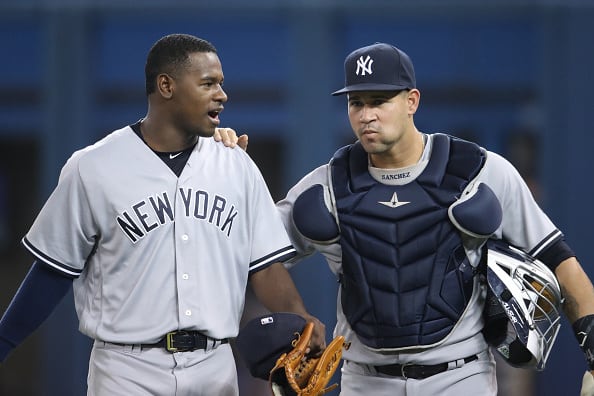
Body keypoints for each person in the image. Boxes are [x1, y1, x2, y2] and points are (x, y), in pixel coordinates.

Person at [0, 33, 325, 396]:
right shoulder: (93, 167)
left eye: (221, 83)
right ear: (166, 85)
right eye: (208, 84)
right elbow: (53, 270)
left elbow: (263, 265)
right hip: (126, 369)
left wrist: (301, 318)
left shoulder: (235, 164)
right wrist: (5, 342)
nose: (222, 94)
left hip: (214, 366)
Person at [270, 42, 594, 395]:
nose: (366, 115)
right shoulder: (328, 184)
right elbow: (256, 255)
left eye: (379, 101)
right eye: (356, 103)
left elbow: (559, 259)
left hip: (459, 377)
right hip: (365, 379)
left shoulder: (479, 171)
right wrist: (225, 166)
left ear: (412, 101)